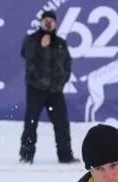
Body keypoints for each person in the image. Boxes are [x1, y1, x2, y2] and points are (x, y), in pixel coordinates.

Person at [19, 9, 77, 164]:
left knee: (62, 124)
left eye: (51, 20)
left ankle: (65, 156)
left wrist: (62, 81)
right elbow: (27, 56)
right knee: (31, 123)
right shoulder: (31, 40)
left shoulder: (60, 43)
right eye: (46, 20)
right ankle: (26, 155)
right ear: (41, 22)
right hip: (35, 90)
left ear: (55, 23)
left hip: (55, 92)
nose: (48, 23)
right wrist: (42, 47)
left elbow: (67, 64)